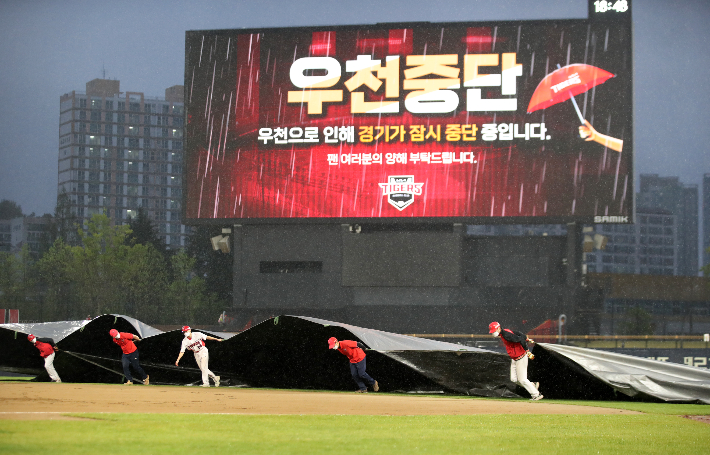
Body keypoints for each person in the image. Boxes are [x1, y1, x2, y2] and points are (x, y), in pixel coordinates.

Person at [489, 321, 542, 401]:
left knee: (522, 379)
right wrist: (526, 338)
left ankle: (536, 394)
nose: (493, 333)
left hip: (521, 357)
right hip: (515, 358)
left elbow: (520, 339)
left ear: (499, 328)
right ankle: (532, 385)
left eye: (494, 331)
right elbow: (518, 333)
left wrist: (527, 350)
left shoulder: (506, 335)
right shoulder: (505, 332)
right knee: (514, 379)